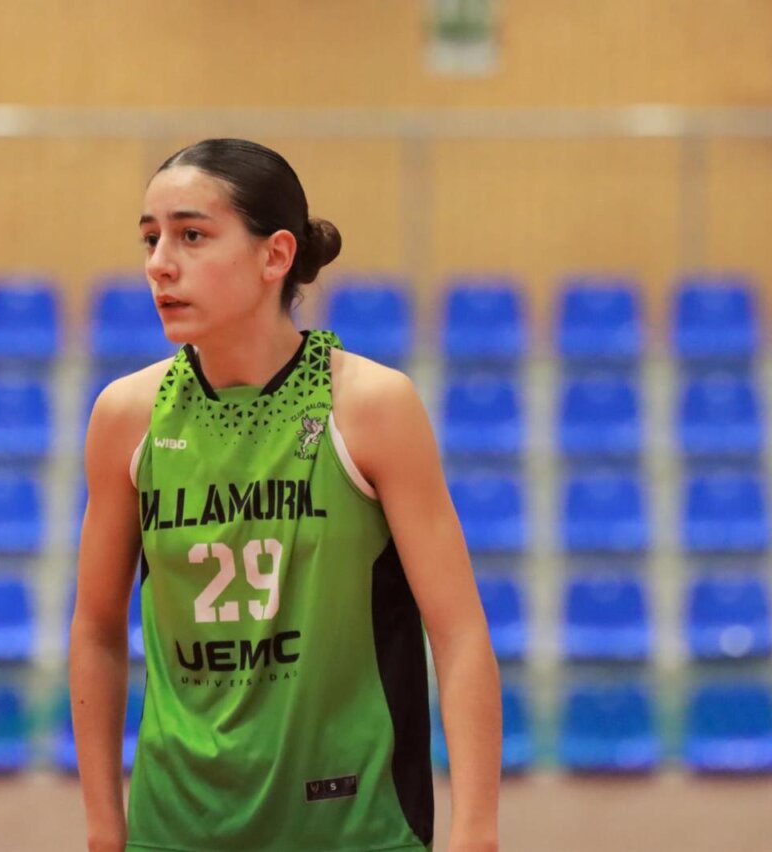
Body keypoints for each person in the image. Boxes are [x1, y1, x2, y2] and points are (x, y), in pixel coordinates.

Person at [69, 138, 501, 852]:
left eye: (192, 235)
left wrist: (475, 832)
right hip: (175, 828)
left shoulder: (372, 406)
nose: (159, 264)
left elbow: (459, 633)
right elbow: (94, 630)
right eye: (151, 238)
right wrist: (102, 828)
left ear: (275, 256)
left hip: (356, 827)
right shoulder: (126, 416)